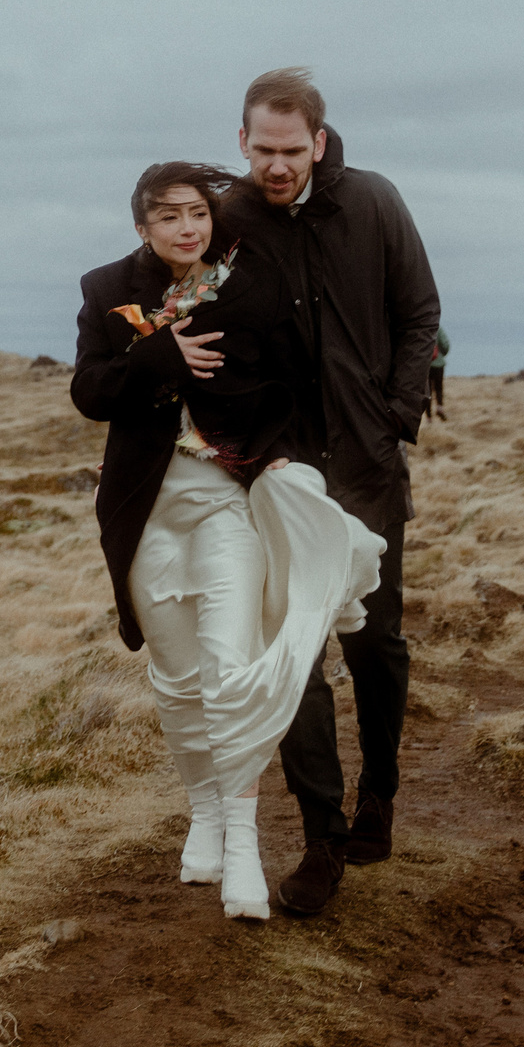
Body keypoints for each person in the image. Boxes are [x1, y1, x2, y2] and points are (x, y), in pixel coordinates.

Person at [71, 161, 384, 921]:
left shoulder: (251, 285)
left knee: (231, 670)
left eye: (198, 213)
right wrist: (157, 357)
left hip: (224, 502)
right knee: (177, 682)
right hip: (146, 512)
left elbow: (287, 383)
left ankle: (242, 844)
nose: (188, 226)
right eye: (170, 216)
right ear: (143, 227)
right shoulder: (105, 288)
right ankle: (205, 809)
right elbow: (90, 391)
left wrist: (281, 453)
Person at [219, 68, 440, 915]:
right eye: (261, 150)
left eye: (290, 150)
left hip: (367, 463)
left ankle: (378, 793)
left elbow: (420, 311)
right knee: (295, 653)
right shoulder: (230, 222)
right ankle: (323, 836)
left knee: (374, 641)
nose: (276, 166)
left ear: (318, 140)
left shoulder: (375, 203)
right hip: (279, 476)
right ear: (242, 142)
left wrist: (393, 417)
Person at [428, 326, 450, 419]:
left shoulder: (422, 327)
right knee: (439, 387)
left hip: (426, 364)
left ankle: (428, 416)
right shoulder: (438, 329)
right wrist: (441, 354)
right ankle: (439, 407)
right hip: (438, 363)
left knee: (427, 390)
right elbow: (445, 344)